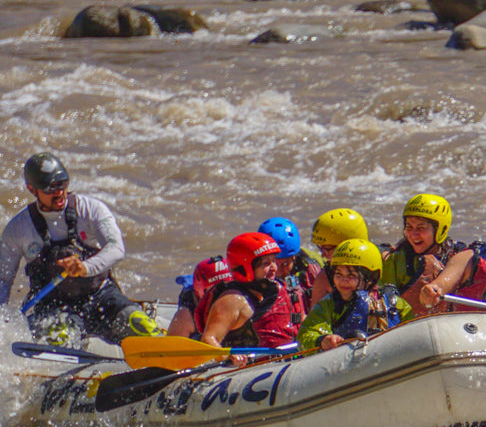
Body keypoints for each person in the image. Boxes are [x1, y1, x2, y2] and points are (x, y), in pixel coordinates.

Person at [0, 151, 161, 345]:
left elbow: (116, 248)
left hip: (101, 298)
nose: (59, 192)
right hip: (54, 308)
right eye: (50, 188)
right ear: (32, 189)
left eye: (62, 184)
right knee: (60, 339)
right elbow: (3, 280)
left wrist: (85, 267)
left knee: (140, 324)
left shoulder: (92, 209)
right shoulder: (18, 228)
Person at [297, 239, 412, 351]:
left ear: (370, 278)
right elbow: (306, 334)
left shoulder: (393, 302)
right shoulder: (330, 305)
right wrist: (322, 340)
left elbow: (413, 326)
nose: (343, 280)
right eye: (338, 274)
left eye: (351, 275)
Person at [199, 232, 297, 362]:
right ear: (245, 268)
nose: (274, 268)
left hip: (278, 361)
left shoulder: (273, 291)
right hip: (243, 370)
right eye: (266, 264)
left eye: (274, 261)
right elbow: (208, 340)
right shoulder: (232, 300)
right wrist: (227, 357)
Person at [382, 194, 465, 317]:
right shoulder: (396, 260)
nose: (414, 234)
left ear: (441, 230)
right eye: (409, 227)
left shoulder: (460, 257)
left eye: (421, 228)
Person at [258, 217, 319, 326]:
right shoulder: (252, 272)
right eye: (274, 263)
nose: (278, 270)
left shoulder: (311, 267)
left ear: (294, 257)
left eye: (286, 264)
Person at [309, 208, 369, 308]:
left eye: (327, 249)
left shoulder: (382, 264)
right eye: (320, 248)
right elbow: (314, 321)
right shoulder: (324, 279)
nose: (323, 255)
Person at [166, 255, 229, 337]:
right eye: (217, 290)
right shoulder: (186, 315)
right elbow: (172, 346)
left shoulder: (239, 300)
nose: (223, 294)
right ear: (201, 292)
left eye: (228, 287)